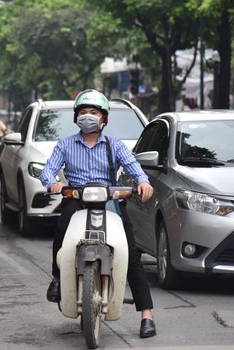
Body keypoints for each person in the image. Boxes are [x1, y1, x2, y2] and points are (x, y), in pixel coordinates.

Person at [39, 89, 157, 339]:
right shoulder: (66, 144)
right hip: (77, 199)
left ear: (104, 118)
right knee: (61, 231)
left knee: (131, 253)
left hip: (110, 201)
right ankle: (56, 277)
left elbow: (135, 169)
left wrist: (143, 183)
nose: (88, 116)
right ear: (75, 118)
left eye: (94, 112)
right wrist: (53, 183)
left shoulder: (115, 145)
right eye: (83, 112)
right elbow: (48, 172)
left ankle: (147, 314)